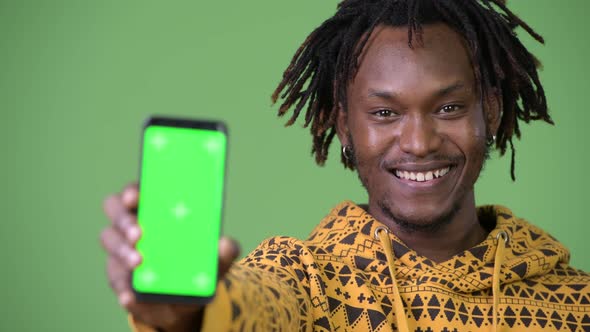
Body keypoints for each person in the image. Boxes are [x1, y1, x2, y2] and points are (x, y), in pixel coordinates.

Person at [101, 0, 590, 331]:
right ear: (344, 126)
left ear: (492, 111)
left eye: (448, 108)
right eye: (384, 113)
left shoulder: (575, 301)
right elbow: (253, 309)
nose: (419, 142)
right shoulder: (303, 279)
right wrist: (185, 315)